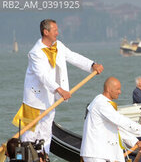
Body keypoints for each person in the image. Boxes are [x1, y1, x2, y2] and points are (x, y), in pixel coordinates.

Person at [13, 19, 103, 154]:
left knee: (46, 133)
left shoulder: (58, 45)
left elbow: (73, 57)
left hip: (49, 99)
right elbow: (43, 76)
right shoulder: (35, 53)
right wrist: (60, 90)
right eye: (55, 30)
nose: (57, 33)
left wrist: (92, 65)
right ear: (46, 32)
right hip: (34, 100)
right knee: (30, 134)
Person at [80, 77, 141, 162]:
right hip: (94, 154)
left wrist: (135, 142)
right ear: (109, 89)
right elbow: (120, 120)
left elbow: (117, 128)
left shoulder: (104, 104)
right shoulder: (101, 103)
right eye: (118, 89)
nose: (120, 92)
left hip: (96, 154)